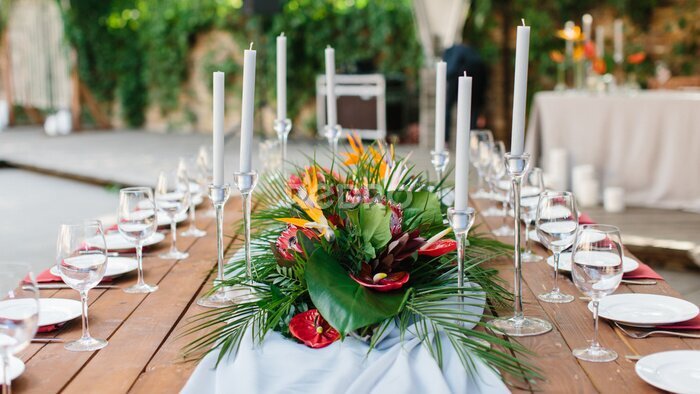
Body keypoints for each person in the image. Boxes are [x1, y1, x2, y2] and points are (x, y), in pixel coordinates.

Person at [443, 42, 488, 141]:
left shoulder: (449, 52)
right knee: (475, 107)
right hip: (480, 72)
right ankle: (471, 139)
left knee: (448, 107)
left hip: (459, 74)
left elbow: (450, 70)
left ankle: (446, 140)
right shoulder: (470, 52)